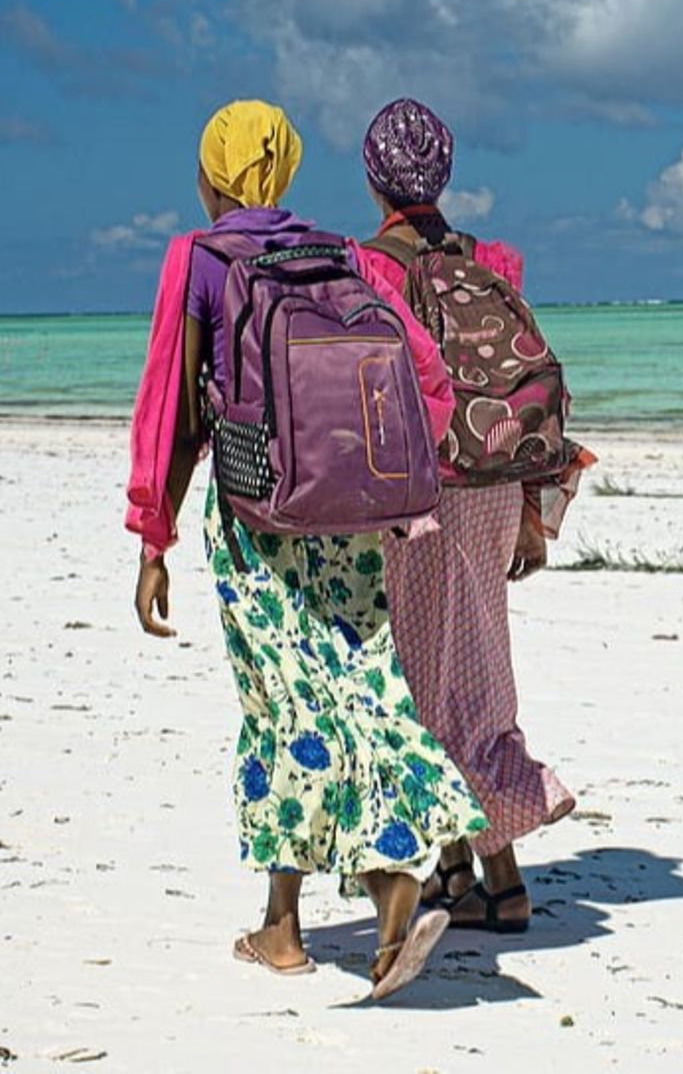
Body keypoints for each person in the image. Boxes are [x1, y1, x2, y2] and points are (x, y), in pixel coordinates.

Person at [127, 99, 486, 995]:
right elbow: (424, 379)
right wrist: (409, 485)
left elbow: (170, 408)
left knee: (282, 705)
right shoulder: (344, 257)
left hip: (256, 518)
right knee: (366, 685)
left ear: (213, 175)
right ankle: (367, 884)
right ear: (283, 170)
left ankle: (315, 916)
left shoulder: (200, 258)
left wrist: (152, 533)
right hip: (351, 516)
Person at [357, 98, 583, 933]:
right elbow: (511, 397)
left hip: (410, 494)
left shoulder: (365, 269)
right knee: (481, 670)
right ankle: (474, 872)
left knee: (416, 679)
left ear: (375, 178)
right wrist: (532, 511)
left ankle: (493, 869)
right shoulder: (493, 262)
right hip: (491, 489)